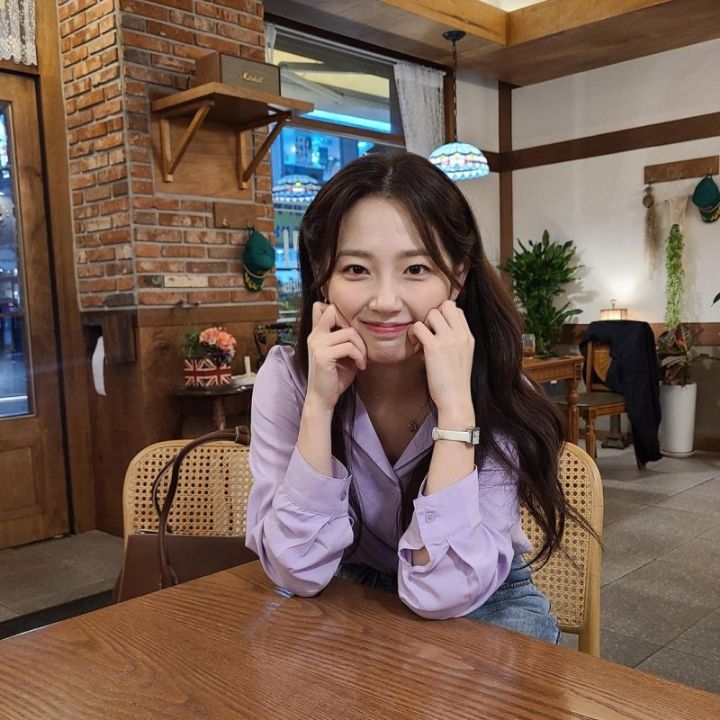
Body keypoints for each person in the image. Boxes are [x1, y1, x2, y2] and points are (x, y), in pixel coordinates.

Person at [246, 152, 569, 642]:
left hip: (480, 595)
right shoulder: (287, 380)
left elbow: (444, 590)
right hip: (344, 582)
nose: (385, 301)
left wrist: (456, 408)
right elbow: (297, 570)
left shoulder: (497, 386)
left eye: (416, 268)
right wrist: (318, 406)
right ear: (322, 273)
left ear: (457, 276)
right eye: (356, 268)